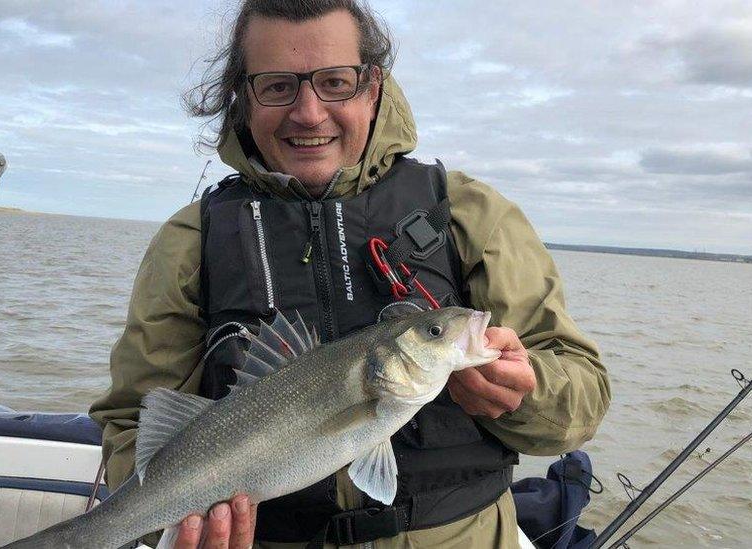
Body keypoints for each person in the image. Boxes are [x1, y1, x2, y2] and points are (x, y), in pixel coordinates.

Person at [90, 1, 611, 548]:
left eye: (335, 82)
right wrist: (176, 531)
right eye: (276, 87)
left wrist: (525, 393)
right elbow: (134, 423)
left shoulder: (469, 213)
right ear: (243, 96)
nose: (309, 114)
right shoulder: (189, 240)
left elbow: (583, 397)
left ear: (372, 87)